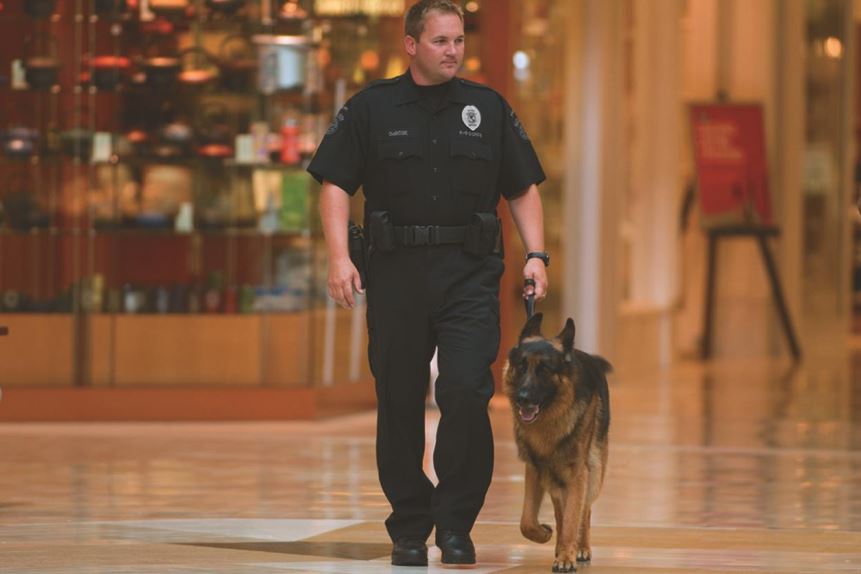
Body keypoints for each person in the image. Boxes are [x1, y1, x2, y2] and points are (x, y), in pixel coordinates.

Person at [307, 0, 548, 566]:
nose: (453, 51)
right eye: (440, 41)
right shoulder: (371, 108)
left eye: (459, 40)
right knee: (397, 401)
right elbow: (335, 184)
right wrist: (339, 258)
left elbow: (522, 187)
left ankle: (456, 522)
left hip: (469, 274)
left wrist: (536, 253)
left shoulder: (487, 108)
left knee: (466, 391)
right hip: (396, 277)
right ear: (411, 44)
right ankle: (410, 525)